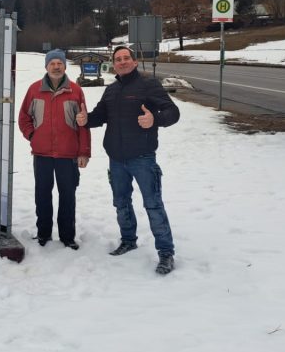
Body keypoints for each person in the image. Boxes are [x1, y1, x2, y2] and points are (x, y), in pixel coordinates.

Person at [76, 45, 180, 275]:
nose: (122, 62)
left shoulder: (149, 85)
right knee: (121, 203)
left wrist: (155, 120)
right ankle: (128, 240)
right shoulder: (111, 90)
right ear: (113, 65)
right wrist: (85, 119)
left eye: (126, 58)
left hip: (143, 158)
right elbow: (99, 116)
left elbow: (173, 112)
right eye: (118, 59)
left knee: (153, 204)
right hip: (116, 159)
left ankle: (166, 252)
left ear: (134, 62)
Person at [18, 49, 91, 249]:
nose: (56, 67)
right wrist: (32, 136)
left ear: (65, 66)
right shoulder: (34, 90)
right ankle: (43, 234)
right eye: (52, 63)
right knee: (42, 194)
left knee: (67, 196)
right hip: (42, 154)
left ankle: (67, 237)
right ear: (46, 66)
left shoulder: (75, 91)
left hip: (68, 154)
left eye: (60, 63)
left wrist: (84, 152)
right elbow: (24, 117)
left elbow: (83, 124)